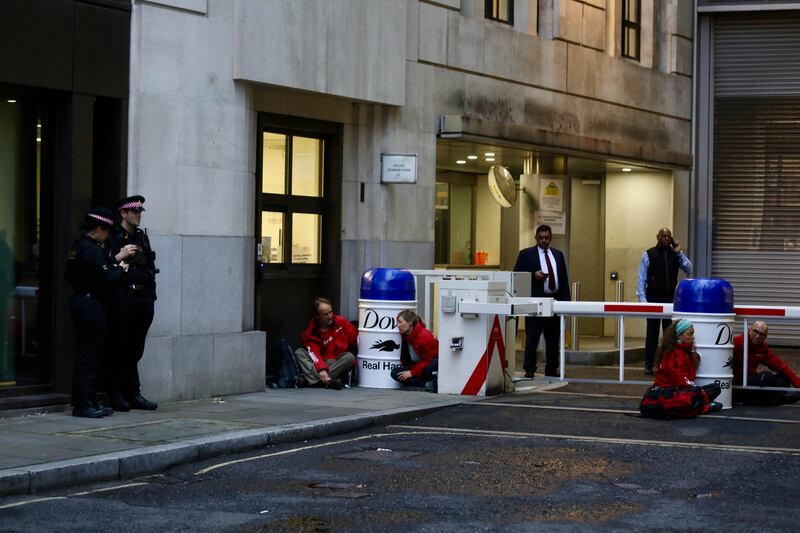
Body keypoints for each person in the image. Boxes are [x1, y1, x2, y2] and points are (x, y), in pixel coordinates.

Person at [65, 208, 138, 418]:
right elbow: (110, 278)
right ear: (99, 229)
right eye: (107, 232)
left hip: (82, 300)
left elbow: (69, 275)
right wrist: (122, 266)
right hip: (91, 305)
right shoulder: (92, 249)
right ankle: (83, 404)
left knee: (87, 355)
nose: (108, 236)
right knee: (89, 356)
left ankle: (89, 400)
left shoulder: (77, 247)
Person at [105, 195, 159, 411]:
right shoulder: (113, 237)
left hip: (143, 298)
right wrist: (120, 255)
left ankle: (132, 393)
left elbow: (149, 267)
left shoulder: (142, 237)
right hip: (123, 298)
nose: (138, 215)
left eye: (140, 211)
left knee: (136, 348)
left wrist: (151, 295)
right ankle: (116, 394)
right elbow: (105, 266)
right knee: (120, 346)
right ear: (123, 213)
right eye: (134, 211)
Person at [513, 224, 570, 377]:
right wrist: (533, 275)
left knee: (553, 339)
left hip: (553, 302)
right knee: (532, 337)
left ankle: (552, 368)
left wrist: (566, 304)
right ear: (536, 238)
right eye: (541, 238)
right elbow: (516, 275)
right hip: (535, 303)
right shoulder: (526, 254)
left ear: (550, 238)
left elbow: (563, 279)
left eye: (546, 238)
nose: (544, 240)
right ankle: (529, 368)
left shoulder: (558, 255)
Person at [639, 319, 723, 419]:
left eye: (692, 334)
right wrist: (699, 391)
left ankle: (698, 405)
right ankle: (701, 406)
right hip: (669, 391)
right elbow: (680, 380)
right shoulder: (674, 354)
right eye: (689, 334)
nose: (693, 337)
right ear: (679, 336)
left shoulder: (683, 352)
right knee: (701, 391)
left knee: (713, 388)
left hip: (677, 390)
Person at [637, 228, 693, 375]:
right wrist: (643, 301)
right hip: (653, 298)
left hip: (670, 299)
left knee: (669, 335)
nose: (666, 238)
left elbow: (689, 268)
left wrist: (679, 253)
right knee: (652, 334)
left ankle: (665, 364)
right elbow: (641, 278)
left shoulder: (676, 254)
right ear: (658, 237)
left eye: (668, 236)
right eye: (663, 236)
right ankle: (649, 365)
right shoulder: (649, 254)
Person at [294, 297, 357, 390]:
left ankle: (312, 381)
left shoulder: (341, 322)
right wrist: (321, 369)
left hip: (337, 360)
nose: (330, 316)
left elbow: (355, 338)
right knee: (299, 352)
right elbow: (314, 354)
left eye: (330, 312)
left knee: (349, 357)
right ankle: (328, 381)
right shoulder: (310, 332)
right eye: (325, 314)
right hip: (320, 360)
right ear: (317, 316)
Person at [732, 321, 800, 406]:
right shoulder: (737, 342)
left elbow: (781, 365)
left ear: (765, 337)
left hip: (753, 383)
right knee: (766, 376)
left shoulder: (762, 348)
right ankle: (781, 398)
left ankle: (770, 398)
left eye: (761, 334)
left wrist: (798, 386)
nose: (757, 336)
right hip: (737, 386)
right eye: (755, 332)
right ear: (749, 330)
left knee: (785, 377)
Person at [391, 310, 439, 391]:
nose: (398, 325)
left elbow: (430, 360)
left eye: (400, 322)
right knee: (395, 372)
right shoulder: (405, 335)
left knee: (433, 365)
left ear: (410, 322)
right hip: (415, 367)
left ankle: (427, 383)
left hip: (426, 368)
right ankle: (425, 384)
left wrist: (412, 372)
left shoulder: (425, 336)